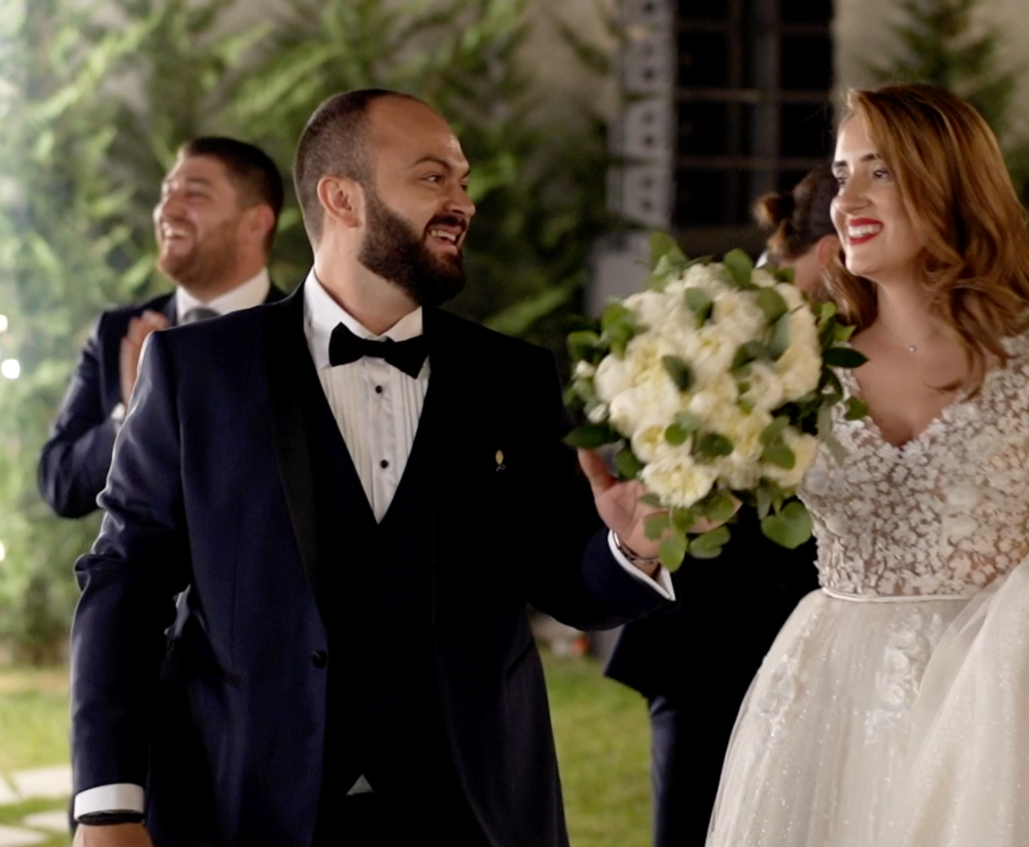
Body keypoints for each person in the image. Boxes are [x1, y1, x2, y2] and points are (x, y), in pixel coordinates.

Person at [68, 89, 683, 847]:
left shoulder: (510, 377)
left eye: (463, 181)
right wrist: (108, 803)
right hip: (248, 810)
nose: (463, 203)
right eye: (433, 177)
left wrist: (631, 549)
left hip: (473, 815)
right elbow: (125, 583)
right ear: (342, 198)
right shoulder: (199, 372)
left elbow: (566, 581)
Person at [703, 83, 1029, 847]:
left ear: (952, 183)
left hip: (1003, 707)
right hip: (832, 710)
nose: (847, 200)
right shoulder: (802, 365)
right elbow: (720, 499)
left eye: (880, 171)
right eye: (842, 173)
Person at [600, 164, 834, 847]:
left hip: (816, 639)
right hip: (705, 641)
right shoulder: (706, 315)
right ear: (831, 251)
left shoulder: (852, 334)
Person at [38, 137, 286, 519]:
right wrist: (131, 411)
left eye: (195, 195)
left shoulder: (306, 334)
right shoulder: (116, 334)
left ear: (254, 223)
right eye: (167, 193)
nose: (167, 210)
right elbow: (60, 484)